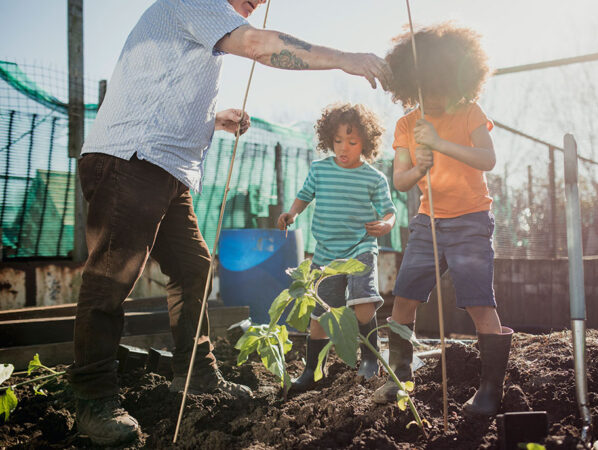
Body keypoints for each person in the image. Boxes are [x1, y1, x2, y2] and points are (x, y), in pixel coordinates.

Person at [68, 0, 392, 445]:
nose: (256, 4)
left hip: (165, 169)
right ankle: (93, 398)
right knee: (111, 279)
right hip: (131, 159)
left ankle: (196, 373)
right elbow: (258, 44)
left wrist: (214, 120)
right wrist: (345, 59)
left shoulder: (200, 19)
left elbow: (162, 85)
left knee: (193, 267)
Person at [372, 23, 513, 417]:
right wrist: (419, 166)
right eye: (422, 90)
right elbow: (401, 181)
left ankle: (489, 390)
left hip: (470, 222)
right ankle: (400, 376)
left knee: (479, 304)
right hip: (427, 223)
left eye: (437, 88)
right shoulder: (406, 125)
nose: (430, 97)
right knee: (403, 298)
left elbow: (487, 159)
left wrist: (439, 143)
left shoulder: (470, 112)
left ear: (455, 80)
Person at [277, 103, 396, 392]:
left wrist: (386, 225)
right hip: (326, 252)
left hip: (360, 246)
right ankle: (312, 370)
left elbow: (389, 212)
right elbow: (304, 195)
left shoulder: (374, 178)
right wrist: (292, 213)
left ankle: (370, 360)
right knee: (321, 311)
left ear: (365, 143)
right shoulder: (320, 170)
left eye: (352, 142)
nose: (343, 148)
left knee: (363, 300)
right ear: (328, 139)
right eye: (338, 141)